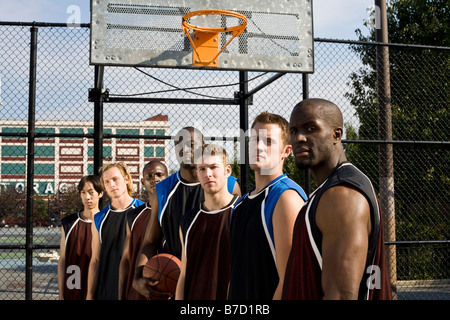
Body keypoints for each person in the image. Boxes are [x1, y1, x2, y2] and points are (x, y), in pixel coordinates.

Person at [282, 98, 392, 300]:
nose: (299, 138)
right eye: (294, 130)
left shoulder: (342, 194)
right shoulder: (331, 189)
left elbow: (341, 295)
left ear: (336, 134)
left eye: (311, 128)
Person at [133, 127, 241, 299]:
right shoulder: (162, 191)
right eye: (179, 143)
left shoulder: (228, 185)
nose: (185, 148)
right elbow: (150, 242)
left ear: (203, 146)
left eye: (191, 144)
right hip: (173, 278)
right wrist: (137, 276)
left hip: (219, 279)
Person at [228, 112, 307, 300]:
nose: (259, 147)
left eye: (269, 141)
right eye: (254, 139)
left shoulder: (286, 198)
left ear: (286, 151)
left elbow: (290, 281)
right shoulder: (240, 204)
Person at [176, 144, 239, 300]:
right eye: (202, 169)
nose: (208, 174)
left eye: (213, 167)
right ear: (197, 174)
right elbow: (184, 274)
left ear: (227, 171)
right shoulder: (187, 221)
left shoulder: (243, 212)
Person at [86, 162, 145, 300]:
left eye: (115, 179)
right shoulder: (99, 218)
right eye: (106, 182)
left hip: (136, 290)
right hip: (106, 290)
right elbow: (95, 260)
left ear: (126, 179)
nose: (111, 185)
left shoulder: (143, 211)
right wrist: (89, 295)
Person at [118, 160, 168, 300]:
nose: (154, 179)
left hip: (168, 285)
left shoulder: (175, 211)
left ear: (167, 178)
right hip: (137, 290)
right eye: (149, 176)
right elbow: (126, 259)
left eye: (159, 175)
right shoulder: (133, 216)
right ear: (142, 182)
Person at [57, 175, 103, 300]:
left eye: (91, 192)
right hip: (73, 287)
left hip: (99, 288)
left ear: (100, 193)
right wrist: (61, 294)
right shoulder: (68, 223)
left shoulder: (107, 221)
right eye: (83, 193)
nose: (87, 197)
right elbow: (62, 260)